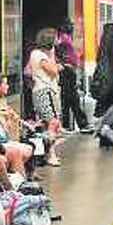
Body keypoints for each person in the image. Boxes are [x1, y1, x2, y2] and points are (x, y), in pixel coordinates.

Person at [28, 28, 64, 166]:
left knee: (48, 124)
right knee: (52, 123)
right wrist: (53, 57)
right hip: (45, 92)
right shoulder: (38, 54)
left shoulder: (41, 55)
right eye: (55, 38)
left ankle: (46, 153)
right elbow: (54, 71)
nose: (57, 41)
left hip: (48, 91)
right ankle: (50, 154)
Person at [56, 20, 91, 134]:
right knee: (71, 99)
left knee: (68, 100)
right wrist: (67, 65)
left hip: (69, 74)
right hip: (66, 74)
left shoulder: (67, 42)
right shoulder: (62, 43)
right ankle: (81, 124)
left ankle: (69, 124)